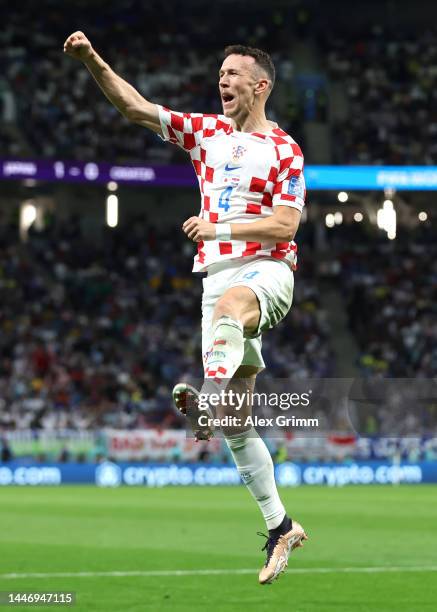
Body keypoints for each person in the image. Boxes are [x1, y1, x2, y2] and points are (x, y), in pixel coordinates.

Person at [64, 31, 308, 584]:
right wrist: (91, 59)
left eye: (233, 73)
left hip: (267, 271)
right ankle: (280, 525)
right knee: (237, 425)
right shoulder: (206, 133)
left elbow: (287, 224)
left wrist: (218, 226)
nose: (223, 80)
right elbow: (134, 107)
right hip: (215, 277)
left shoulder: (284, 148)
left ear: (260, 85)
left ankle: (208, 401)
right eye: (220, 73)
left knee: (231, 309)